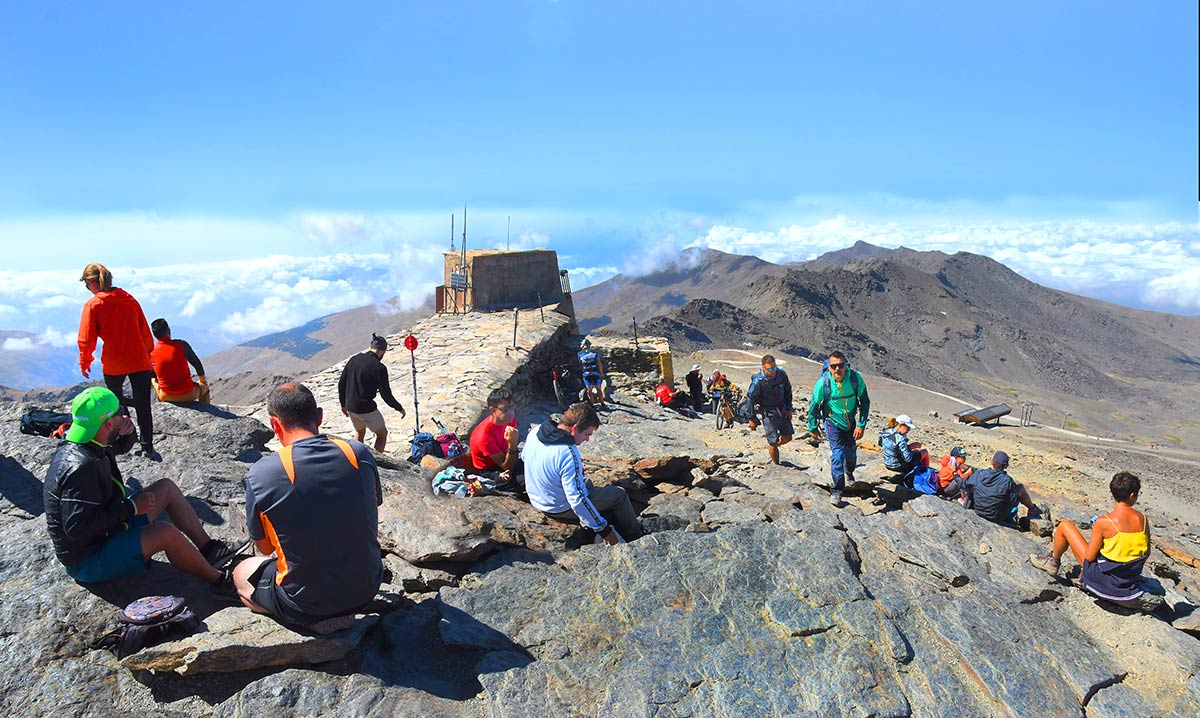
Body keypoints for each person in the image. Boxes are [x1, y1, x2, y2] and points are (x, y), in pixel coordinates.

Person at [43, 387, 236, 588]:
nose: (123, 415)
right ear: (108, 423)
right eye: (119, 414)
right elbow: (77, 529)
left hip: (106, 533)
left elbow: (118, 447)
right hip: (87, 559)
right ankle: (222, 582)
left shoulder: (88, 439)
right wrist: (131, 508)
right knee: (164, 532)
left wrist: (127, 433)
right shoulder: (81, 468)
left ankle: (210, 550)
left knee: (165, 488)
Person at [234, 383, 383, 634]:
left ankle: (315, 620)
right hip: (367, 588)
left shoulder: (263, 472)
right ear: (320, 417)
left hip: (304, 605)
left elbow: (265, 547)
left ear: (274, 424)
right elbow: (373, 509)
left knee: (241, 573)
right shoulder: (357, 452)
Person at [523, 402, 643, 544]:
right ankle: (635, 536)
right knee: (619, 495)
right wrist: (604, 530)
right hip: (557, 506)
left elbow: (525, 458)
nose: (587, 439)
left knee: (586, 483)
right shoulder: (568, 453)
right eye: (587, 434)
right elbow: (577, 500)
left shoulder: (536, 431)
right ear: (574, 428)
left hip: (537, 498)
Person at [1030, 472, 1151, 605]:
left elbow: (1089, 557)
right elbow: (1147, 552)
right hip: (1128, 581)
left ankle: (1053, 561)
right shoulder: (1143, 520)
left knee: (1065, 525)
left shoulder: (1104, 522)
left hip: (1106, 583)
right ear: (1132, 495)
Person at [77, 262, 157, 458]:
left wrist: (85, 361)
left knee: (116, 402)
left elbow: (87, 338)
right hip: (139, 358)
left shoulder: (93, 305)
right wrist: (148, 353)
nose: (87, 289)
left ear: (93, 283)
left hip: (115, 361)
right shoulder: (129, 300)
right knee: (143, 403)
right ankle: (148, 446)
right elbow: (145, 332)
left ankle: (127, 438)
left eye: (87, 285)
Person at [807, 351, 870, 505]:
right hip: (832, 421)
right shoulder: (823, 383)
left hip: (850, 423)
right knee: (838, 454)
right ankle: (837, 491)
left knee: (851, 453)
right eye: (833, 366)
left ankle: (849, 472)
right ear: (829, 367)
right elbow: (814, 406)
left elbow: (865, 401)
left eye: (840, 366)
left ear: (845, 365)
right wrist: (813, 426)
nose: (837, 369)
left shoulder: (855, 379)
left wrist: (861, 425)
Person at [337, 333, 407, 452]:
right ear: (382, 351)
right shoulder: (379, 368)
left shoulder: (354, 359)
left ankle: (356, 457)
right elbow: (386, 395)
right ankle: (376, 463)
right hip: (366, 409)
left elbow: (341, 383)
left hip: (351, 407)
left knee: (360, 432)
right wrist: (399, 408)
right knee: (382, 434)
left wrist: (343, 404)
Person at [961, 451, 1043, 524]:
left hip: (978, 510)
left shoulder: (980, 474)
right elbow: (1013, 501)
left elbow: (964, 484)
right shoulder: (1008, 481)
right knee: (1020, 488)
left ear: (992, 462)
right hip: (996, 517)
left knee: (973, 486)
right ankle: (1032, 509)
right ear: (1006, 466)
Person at [746, 355, 794, 465]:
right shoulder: (758, 381)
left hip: (782, 409)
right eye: (769, 369)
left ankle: (776, 445)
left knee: (788, 437)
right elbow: (750, 399)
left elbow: (788, 391)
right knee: (772, 442)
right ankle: (777, 465)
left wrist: (789, 409)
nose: (773, 371)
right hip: (768, 413)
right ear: (763, 368)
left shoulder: (781, 375)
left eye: (774, 368)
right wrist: (751, 418)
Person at [149, 318, 210, 404]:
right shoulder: (181, 345)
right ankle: (205, 409)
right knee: (205, 389)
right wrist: (202, 381)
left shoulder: (152, 352)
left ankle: (160, 402)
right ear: (168, 331)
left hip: (166, 395)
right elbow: (196, 363)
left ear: (155, 335)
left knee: (153, 379)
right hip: (189, 394)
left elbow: (152, 373)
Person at [469, 389, 521, 475]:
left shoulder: (508, 419)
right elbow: (506, 467)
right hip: (492, 469)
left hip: (507, 455)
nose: (510, 412)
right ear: (492, 410)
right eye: (505, 409)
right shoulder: (484, 436)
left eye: (511, 407)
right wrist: (513, 444)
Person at [879, 415, 928, 479]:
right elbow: (908, 459)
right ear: (900, 425)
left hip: (887, 462)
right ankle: (925, 475)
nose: (909, 430)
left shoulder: (886, 431)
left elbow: (880, 443)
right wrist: (911, 448)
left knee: (915, 452)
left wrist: (908, 448)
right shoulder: (900, 438)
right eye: (908, 428)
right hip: (897, 466)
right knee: (924, 452)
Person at [577, 338, 606, 406]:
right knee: (598, 388)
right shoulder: (595, 352)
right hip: (595, 372)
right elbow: (599, 363)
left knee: (589, 390)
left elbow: (580, 363)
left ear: (583, 345)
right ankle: (602, 403)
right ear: (589, 345)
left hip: (586, 373)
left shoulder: (579, 354)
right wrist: (601, 373)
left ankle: (592, 405)